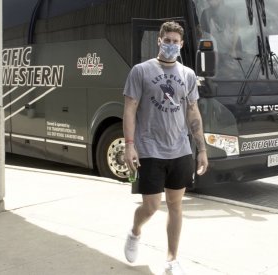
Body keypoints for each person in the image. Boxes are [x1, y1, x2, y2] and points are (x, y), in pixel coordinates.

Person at [122, 21, 208, 274]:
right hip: (149, 148)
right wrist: (129, 145)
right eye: (166, 40)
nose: (171, 44)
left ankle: (172, 259)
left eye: (175, 41)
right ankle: (135, 231)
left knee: (175, 205)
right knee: (150, 206)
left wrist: (201, 149)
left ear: (182, 44)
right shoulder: (141, 71)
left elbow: (193, 111)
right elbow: (129, 108)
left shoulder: (188, 75)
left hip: (180, 149)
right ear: (159, 41)